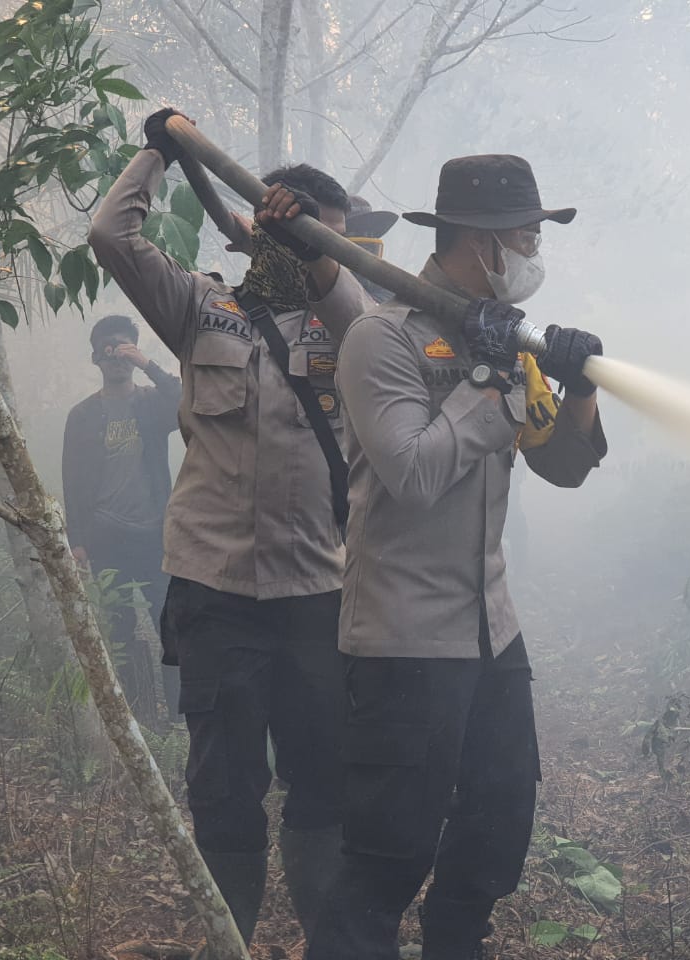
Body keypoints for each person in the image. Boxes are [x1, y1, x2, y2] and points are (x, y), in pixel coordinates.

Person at [260, 153, 608, 959]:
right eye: (525, 234)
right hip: (405, 641)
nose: (532, 250)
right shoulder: (381, 338)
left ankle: (456, 944)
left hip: (492, 629)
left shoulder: (509, 339)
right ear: (481, 240)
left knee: (499, 821)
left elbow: (561, 465)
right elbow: (412, 473)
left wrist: (576, 380)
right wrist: (484, 385)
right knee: (390, 854)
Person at [88, 108, 360, 951]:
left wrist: (319, 251)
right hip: (214, 594)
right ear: (258, 232)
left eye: (335, 246)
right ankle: (229, 939)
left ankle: (326, 937)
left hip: (318, 593)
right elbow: (109, 232)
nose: (328, 258)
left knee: (322, 781)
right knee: (224, 787)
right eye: (320, 238)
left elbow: (361, 312)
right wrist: (160, 150)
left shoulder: (356, 331)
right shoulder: (201, 308)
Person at [62, 314, 181, 725]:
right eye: (109, 348)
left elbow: (186, 403)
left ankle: (181, 721)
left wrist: (149, 364)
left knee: (171, 627)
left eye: (123, 347)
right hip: (107, 536)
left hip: (155, 537)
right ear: (97, 358)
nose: (116, 355)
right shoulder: (82, 416)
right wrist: (76, 540)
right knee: (122, 633)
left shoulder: (151, 402)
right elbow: (72, 482)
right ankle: (145, 720)